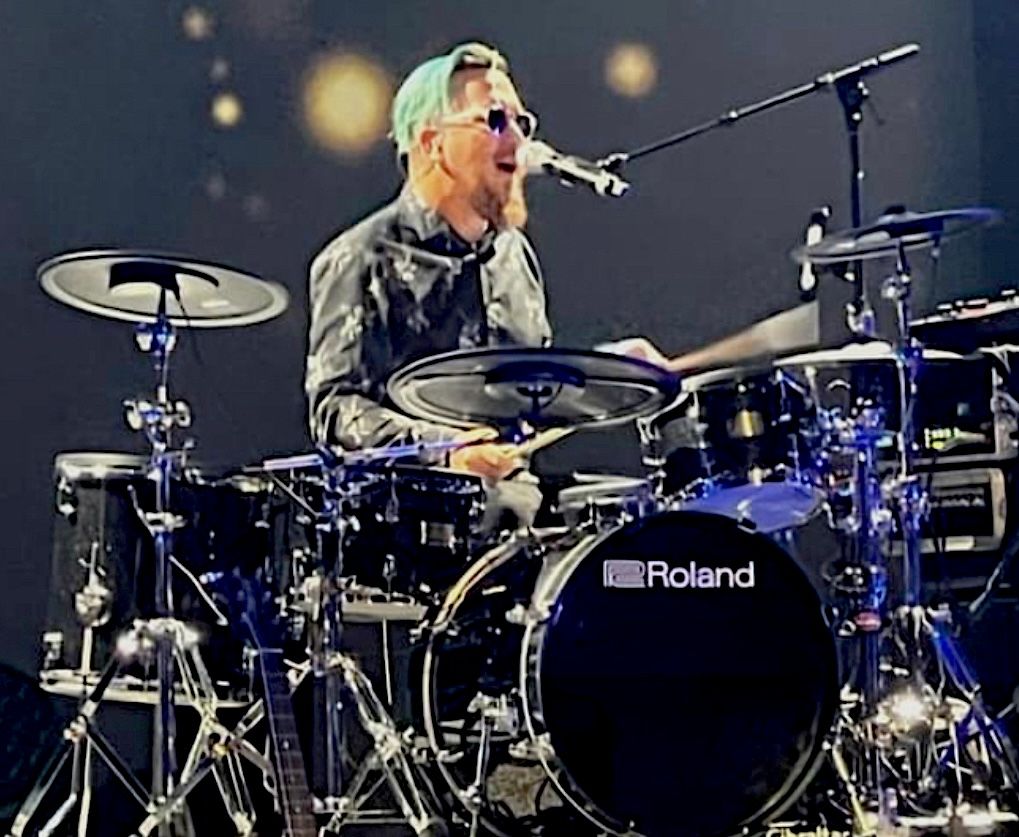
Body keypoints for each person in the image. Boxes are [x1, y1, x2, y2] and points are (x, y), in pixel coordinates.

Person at [304, 42, 551, 510]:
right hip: (410, 530)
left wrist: (617, 372)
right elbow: (336, 411)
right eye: (495, 120)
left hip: (520, 516)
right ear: (433, 143)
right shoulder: (363, 256)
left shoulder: (514, 254)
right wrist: (446, 449)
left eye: (523, 123)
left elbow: (536, 394)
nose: (518, 141)